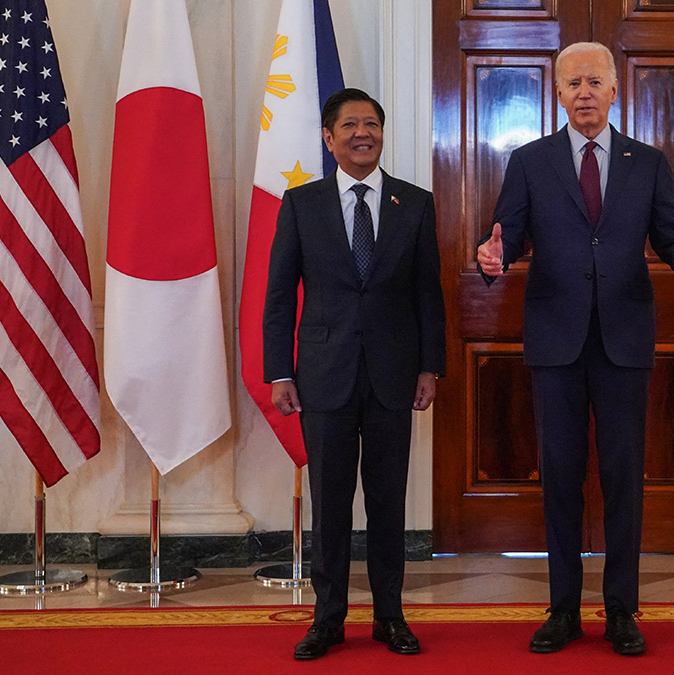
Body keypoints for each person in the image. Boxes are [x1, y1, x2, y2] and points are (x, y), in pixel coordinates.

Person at [476, 41, 674, 656]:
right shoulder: (531, 161)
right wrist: (494, 256)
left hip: (624, 338)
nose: (584, 92)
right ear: (556, 94)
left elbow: (671, 234)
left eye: (594, 82)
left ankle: (620, 610)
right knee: (559, 477)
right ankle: (561, 609)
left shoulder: (648, 161)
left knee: (621, 477)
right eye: (572, 83)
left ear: (616, 91)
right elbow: (508, 232)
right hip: (555, 340)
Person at [263, 88, 445, 661]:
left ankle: (390, 616)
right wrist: (278, 371)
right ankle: (328, 619)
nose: (361, 133)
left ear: (382, 134)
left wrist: (429, 367)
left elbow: (427, 295)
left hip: (395, 374)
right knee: (331, 500)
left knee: (389, 501)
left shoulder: (414, 204)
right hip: (323, 374)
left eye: (371, 124)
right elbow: (277, 297)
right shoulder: (301, 204)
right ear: (328, 137)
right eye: (349, 125)